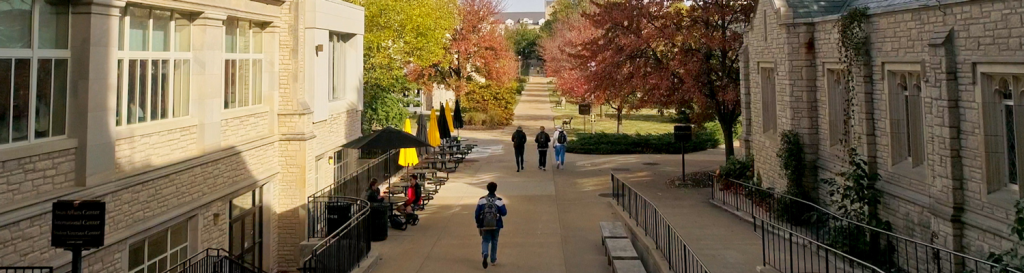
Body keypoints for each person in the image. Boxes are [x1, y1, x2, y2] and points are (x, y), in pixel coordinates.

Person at [475, 182, 507, 269]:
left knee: (485, 240)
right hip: (496, 224)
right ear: (495, 189)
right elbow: (504, 213)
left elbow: (477, 213)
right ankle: (493, 260)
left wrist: (478, 223)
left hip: (485, 224)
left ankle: (485, 253)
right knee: (494, 241)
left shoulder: (482, 200)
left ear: (487, 189)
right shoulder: (499, 200)